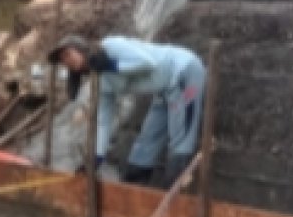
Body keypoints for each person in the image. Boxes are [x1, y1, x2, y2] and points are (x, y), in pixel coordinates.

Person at [46, 34, 206, 183]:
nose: (67, 61)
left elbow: (148, 63)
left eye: (67, 54)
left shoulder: (111, 46)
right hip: (163, 88)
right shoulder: (99, 80)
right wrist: (97, 157)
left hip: (183, 71)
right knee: (146, 141)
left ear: (80, 48)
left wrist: (112, 65)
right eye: (62, 60)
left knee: (180, 136)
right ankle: (135, 184)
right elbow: (103, 121)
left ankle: (175, 190)